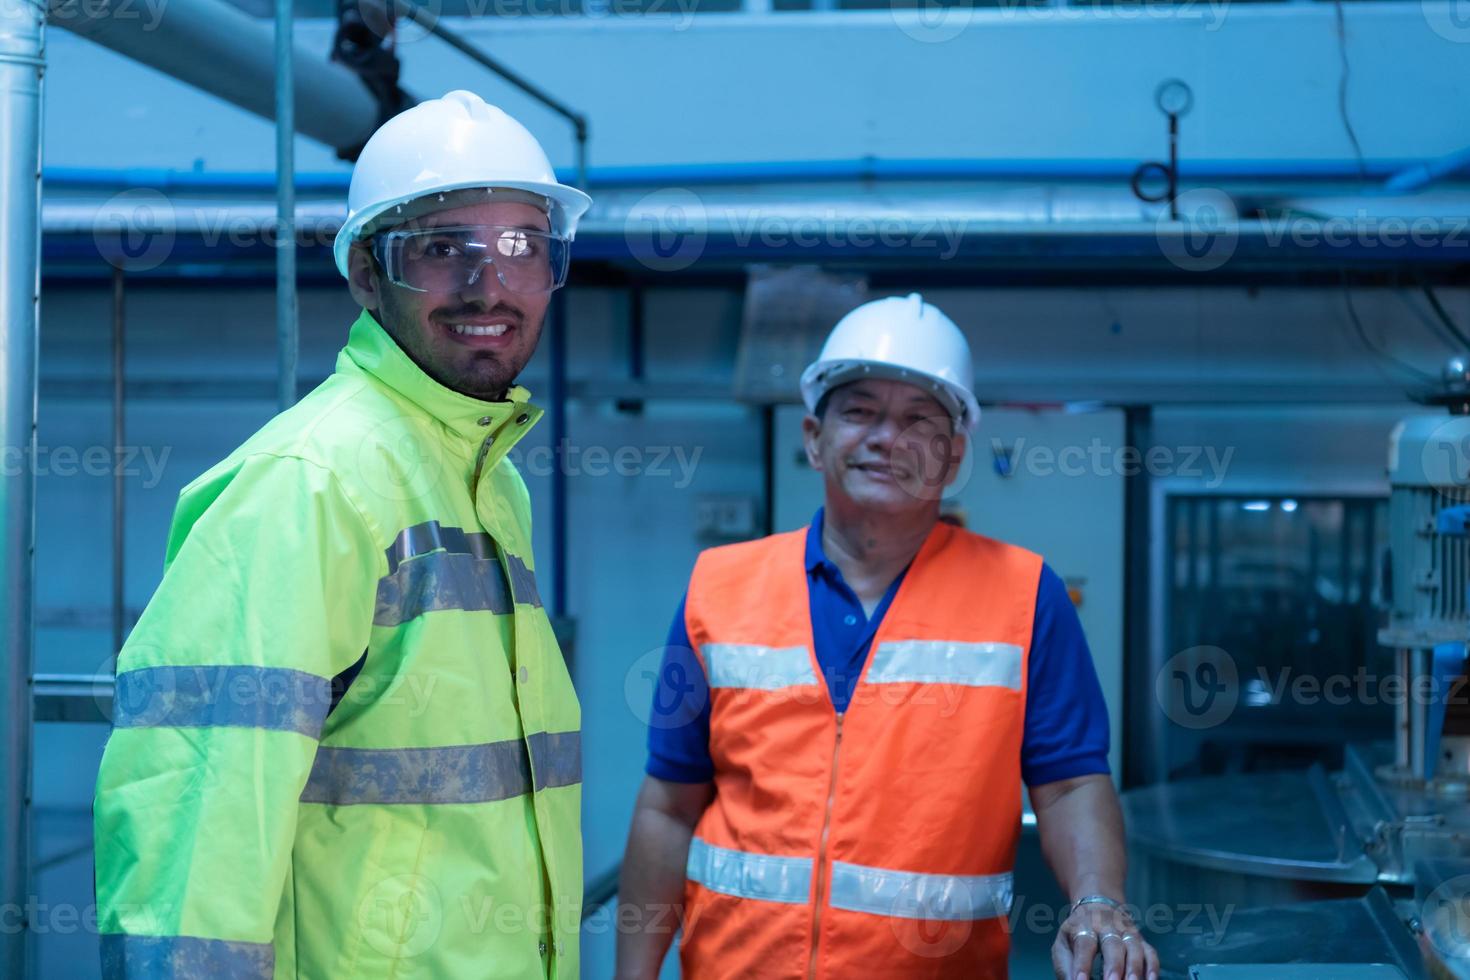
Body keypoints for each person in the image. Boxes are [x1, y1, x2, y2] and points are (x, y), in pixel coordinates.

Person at [93, 90, 590, 979]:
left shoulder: (485, 478)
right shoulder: (310, 485)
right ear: (366, 273)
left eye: (522, 248)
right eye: (444, 249)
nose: (490, 285)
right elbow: (196, 843)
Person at [616, 294, 1161, 980]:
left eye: (918, 421)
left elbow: (1070, 785)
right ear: (814, 437)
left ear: (954, 454)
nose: (886, 438)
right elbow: (668, 805)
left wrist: (1100, 901)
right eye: (861, 412)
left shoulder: (1026, 596)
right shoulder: (716, 588)